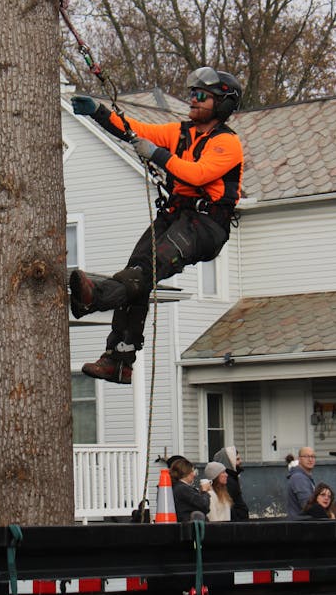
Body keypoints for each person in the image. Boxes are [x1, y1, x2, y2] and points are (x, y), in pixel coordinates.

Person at [69, 67, 244, 385]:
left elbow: (197, 174)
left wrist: (158, 155)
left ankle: (96, 297)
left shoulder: (227, 144)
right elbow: (134, 129)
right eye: (191, 93)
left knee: (143, 271)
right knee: (137, 273)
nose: (193, 99)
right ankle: (119, 360)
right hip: (175, 216)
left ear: (221, 104)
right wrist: (98, 112)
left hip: (205, 225)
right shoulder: (182, 133)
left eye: (201, 95)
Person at [214, 446, 249, 520]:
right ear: (229, 462)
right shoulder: (227, 481)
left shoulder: (232, 477)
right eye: (237, 459)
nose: (240, 461)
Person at [170, 458, 210, 522]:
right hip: (190, 526)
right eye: (192, 471)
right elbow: (204, 505)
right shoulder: (183, 488)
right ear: (186, 472)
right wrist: (204, 491)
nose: (194, 474)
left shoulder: (176, 487)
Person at [285, 446, 316, 519]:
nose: (310, 459)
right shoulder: (299, 478)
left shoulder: (305, 477)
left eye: (313, 456)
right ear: (299, 459)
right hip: (301, 525)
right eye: (306, 456)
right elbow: (307, 505)